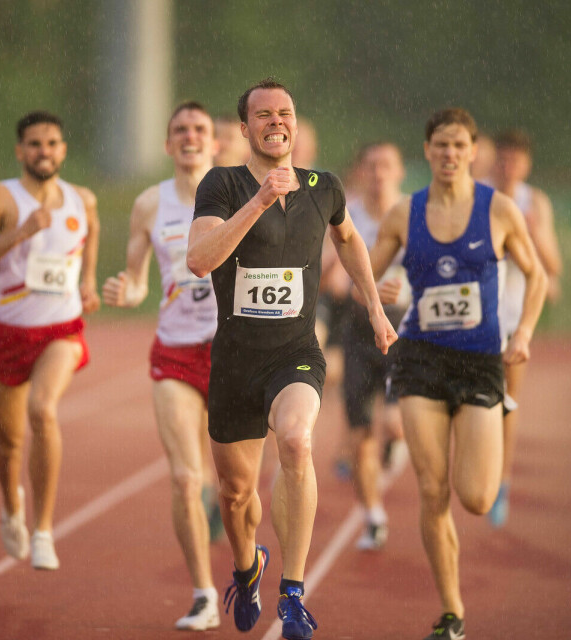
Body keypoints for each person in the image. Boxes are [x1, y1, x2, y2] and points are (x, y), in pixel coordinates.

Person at [187, 79, 396, 640]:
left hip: (295, 354)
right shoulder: (223, 184)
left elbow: (350, 240)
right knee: (235, 494)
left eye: (285, 113)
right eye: (263, 115)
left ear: (296, 124)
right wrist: (258, 202)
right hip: (235, 361)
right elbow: (200, 260)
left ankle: (294, 592)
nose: (276, 122)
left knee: (299, 441)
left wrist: (374, 307)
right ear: (245, 128)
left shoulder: (323, 187)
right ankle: (247, 566)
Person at [369, 108, 547, 639]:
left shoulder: (500, 211)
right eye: (440, 145)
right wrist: (378, 295)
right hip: (421, 357)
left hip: (479, 362)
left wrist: (524, 334)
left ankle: (493, 425)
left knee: (476, 497)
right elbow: (365, 273)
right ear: (426, 151)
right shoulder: (405, 213)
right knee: (432, 488)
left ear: (474, 153)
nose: (449, 154)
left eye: (459, 146)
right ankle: (452, 612)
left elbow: (535, 277)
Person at [0, 111, 100, 570]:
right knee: (8, 444)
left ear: (63, 150)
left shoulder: (82, 199)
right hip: (6, 333)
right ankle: (12, 506)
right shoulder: (0, 197)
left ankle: (43, 530)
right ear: (20, 151)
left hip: (61, 330)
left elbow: (90, 237)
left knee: (43, 409)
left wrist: (89, 281)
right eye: (35, 144)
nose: (45, 151)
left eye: (53, 143)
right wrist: (21, 233)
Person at [102, 101, 222, 630]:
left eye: (200, 129)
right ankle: (202, 593)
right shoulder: (150, 204)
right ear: (167, 144)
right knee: (183, 476)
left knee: (236, 486)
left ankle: (241, 547)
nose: (190, 137)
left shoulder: (238, 192)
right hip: (175, 348)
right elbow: (137, 277)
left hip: (232, 349)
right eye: (180, 130)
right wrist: (125, 291)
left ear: (215, 142)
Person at [335, 142, 410, 551]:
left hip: (404, 333)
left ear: (399, 172)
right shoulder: (346, 216)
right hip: (359, 334)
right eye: (371, 165)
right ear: (361, 172)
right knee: (361, 435)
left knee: (396, 424)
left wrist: (408, 292)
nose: (378, 173)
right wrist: (365, 289)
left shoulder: (414, 216)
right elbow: (330, 281)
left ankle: (397, 441)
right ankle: (373, 516)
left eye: (386, 165)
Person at [487, 128, 563, 528]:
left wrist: (531, 233)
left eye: (515, 160)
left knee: (507, 404)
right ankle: (474, 469)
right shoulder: (478, 193)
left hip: (515, 316)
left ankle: (501, 479)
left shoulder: (536, 202)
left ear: (526, 164)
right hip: (477, 315)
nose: (508, 167)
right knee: (465, 397)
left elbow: (553, 265)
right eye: (502, 159)